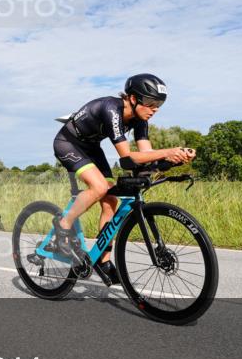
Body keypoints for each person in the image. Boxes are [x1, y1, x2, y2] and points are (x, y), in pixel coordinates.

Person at [52, 74, 195, 283]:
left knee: (110, 200)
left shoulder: (141, 120)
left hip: (91, 148)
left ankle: (103, 261)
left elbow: (146, 157)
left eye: (159, 105)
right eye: (151, 103)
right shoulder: (112, 109)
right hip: (68, 142)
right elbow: (127, 158)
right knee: (100, 187)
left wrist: (174, 160)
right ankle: (63, 225)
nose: (154, 109)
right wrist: (167, 151)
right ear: (133, 99)